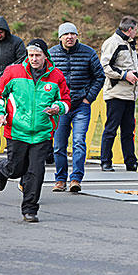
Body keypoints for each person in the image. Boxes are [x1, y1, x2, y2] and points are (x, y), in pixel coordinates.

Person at [0, 39, 71, 222]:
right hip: (17, 131)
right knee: (16, 169)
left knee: (36, 172)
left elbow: (67, 100)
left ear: (45, 56)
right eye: (31, 55)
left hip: (42, 133)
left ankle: (29, 209)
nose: (34, 59)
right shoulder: (13, 72)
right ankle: (2, 169)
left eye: (37, 55)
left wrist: (58, 107)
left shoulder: (56, 76)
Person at [49, 22, 105, 192]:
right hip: (60, 106)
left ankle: (76, 179)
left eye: (73, 34)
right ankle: (60, 179)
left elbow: (99, 76)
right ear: (60, 37)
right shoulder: (51, 54)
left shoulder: (88, 53)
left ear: (77, 36)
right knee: (58, 144)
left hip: (81, 105)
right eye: (66, 34)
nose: (70, 37)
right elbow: (45, 78)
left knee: (79, 142)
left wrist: (89, 98)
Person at [100, 16, 138, 172]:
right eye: (135, 30)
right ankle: (105, 161)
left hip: (130, 94)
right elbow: (105, 66)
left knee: (128, 130)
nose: (136, 33)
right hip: (116, 94)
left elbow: (128, 64)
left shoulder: (129, 44)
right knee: (111, 129)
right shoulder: (113, 43)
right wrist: (125, 76)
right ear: (130, 30)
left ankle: (130, 161)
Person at [0, 16, 26, 159]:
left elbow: (23, 59)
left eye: (1, 32)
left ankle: (13, 147)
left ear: (6, 32)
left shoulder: (17, 42)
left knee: (14, 116)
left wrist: (10, 72)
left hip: (12, 84)